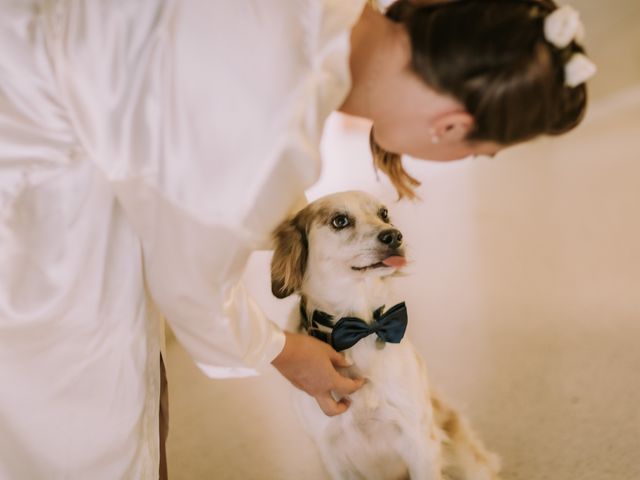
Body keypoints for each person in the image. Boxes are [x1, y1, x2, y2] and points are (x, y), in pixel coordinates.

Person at [0, 0, 594, 478]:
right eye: (479, 153)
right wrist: (281, 351)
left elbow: (204, 170)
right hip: (38, 177)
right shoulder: (274, 118)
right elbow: (190, 285)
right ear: (453, 127)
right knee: (83, 428)